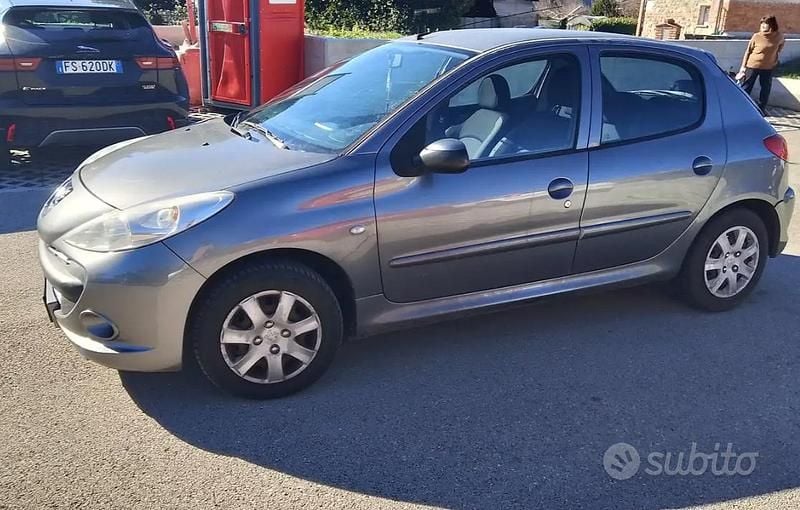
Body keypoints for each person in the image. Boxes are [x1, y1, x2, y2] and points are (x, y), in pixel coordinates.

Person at [738, 15, 785, 112]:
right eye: (762, 23)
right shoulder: (756, 36)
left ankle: (761, 109)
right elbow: (748, 51)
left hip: (768, 67)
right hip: (752, 66)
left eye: (766, 23)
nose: (763, 25)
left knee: (765, 89)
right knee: (746, 87)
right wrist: (743, 67)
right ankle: (741, 107)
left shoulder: (779, 36)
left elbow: (779, 48)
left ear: (772, 25)